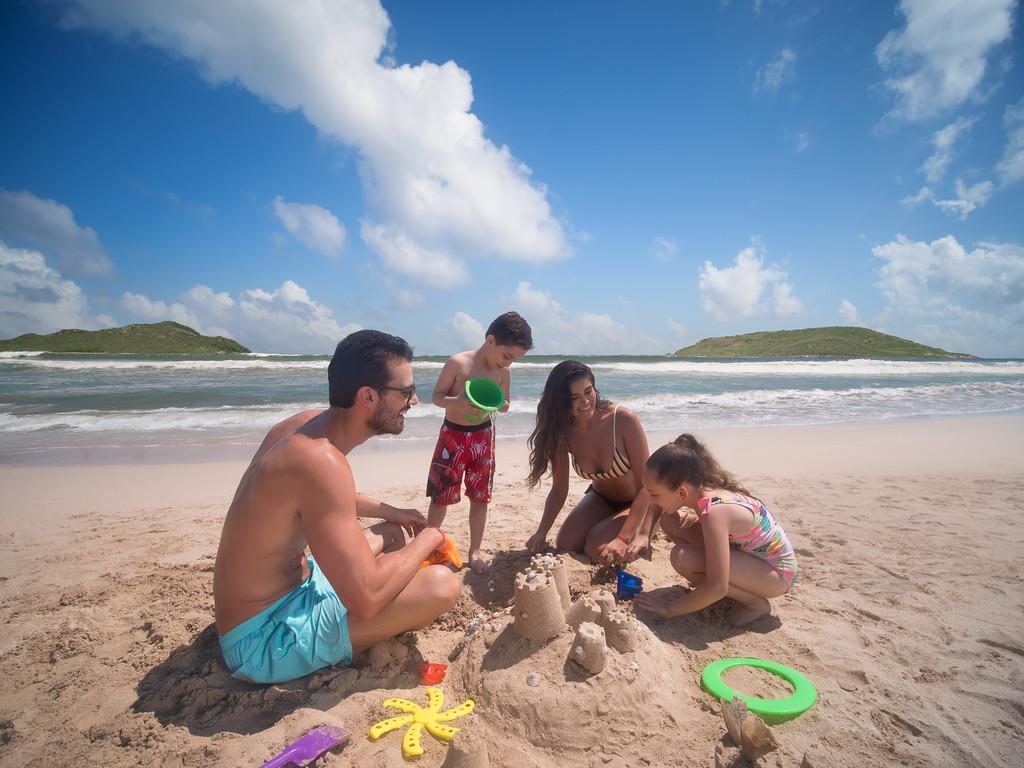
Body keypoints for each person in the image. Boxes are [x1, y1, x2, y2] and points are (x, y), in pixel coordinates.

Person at [213, 330, 461, 684]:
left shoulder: (303, 427)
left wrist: (391, 512)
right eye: (405, 392)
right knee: (442, 586)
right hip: (262, 640)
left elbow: (312, 498)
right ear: (369, 396)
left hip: (280, 594)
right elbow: (367, 601)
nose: (415, 400)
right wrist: (431, 538)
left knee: (392, 532)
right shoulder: (321, 462)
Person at [633, 434, 798, 627]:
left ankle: (755, 604)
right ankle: (728, 591)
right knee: (670, 522)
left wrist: (670, 609)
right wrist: (644, 534)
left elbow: (717, 586)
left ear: (682, 492)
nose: (651, 500)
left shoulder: (715, 512)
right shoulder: (702, 488)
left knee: (683, 557)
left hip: (776, 573)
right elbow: (660, 502)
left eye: (654, 495)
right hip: (748, 555)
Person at [426, 311, 534, 574]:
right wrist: (458, 402)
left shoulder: (503, 372)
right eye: (506, 356)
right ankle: (428, 545)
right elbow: (437, 397)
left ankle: (475, 550)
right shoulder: (458, 363)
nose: (508, 363)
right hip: (452, 436)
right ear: (490, 340)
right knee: (441, 495)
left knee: (480, 496)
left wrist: (495, 404)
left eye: (515, 360)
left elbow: (506, 404)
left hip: (483, 437)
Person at [524, 360, 655, 563]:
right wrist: (541, 531)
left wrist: (622, 538)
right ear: (560, 401)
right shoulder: (563, 433)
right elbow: (559, 490)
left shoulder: (622, 420)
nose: (584, 401)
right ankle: (607, 526)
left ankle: (645, 529)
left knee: (597, 549)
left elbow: (647, 486)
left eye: (588, 391)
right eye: (574, 397)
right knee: (566, 543)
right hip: (601, 499)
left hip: (640, 501)